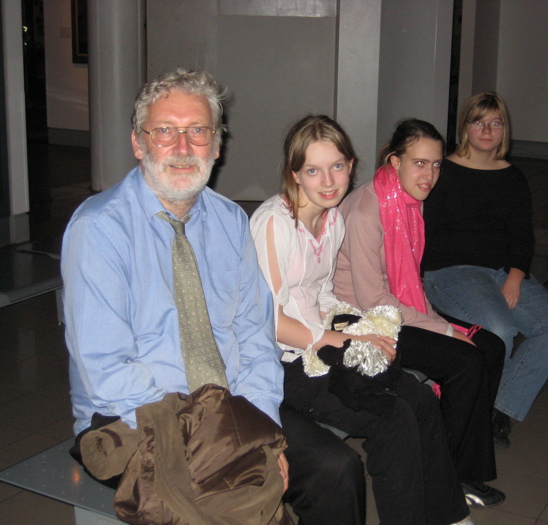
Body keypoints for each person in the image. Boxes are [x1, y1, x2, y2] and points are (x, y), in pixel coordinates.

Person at [62, 69, 360, 524]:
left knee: (336, 469)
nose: (183, 148)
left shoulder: (230, 222)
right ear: (138, 144)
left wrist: (261, 429)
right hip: (136, 415)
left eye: (198, 132)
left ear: (217, 146)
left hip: (230, 406)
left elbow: (255, 336)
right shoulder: (100, 229)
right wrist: (225, 439)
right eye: (165, 132)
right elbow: (106, 371)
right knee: (228, 502)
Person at [250, 114, 473, 525]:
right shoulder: (274, 224)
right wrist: (339, 341)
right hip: (282, 362)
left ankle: (448, 514)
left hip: (323, 341)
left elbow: (322, 293)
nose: (328, 180)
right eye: (313, 170)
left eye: (337, 166)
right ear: (295, 173)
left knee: (420, 400)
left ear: (351, 166)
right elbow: (269, 320)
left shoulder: (332, 219)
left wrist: (361, 326)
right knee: (393, 418)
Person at [333, 118, 506, 508]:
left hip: (400, 307)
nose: (429, 175)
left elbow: (409, 281)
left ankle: (457, 461)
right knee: (466, 359)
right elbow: (375, 301)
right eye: (419, 163)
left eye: (436, 164)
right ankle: (448, 471)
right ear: (394, 162)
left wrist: (441, 323)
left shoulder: (409, 204)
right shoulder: (367, 212)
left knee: (490, 346)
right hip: (365, 321)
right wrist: (444, 330)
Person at [421, 92, 548, 447]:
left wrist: (517, 276)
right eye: (478, 121)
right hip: (450, 271)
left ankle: (497, 411)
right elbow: (423, 233)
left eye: (495, 122)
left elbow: (522, 236)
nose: (486, 129)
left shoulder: (512, 177)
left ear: (505, 129)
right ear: (465, 127)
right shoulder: (443, 171)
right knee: (499, 328)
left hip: (502, 271)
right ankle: (473, 416)